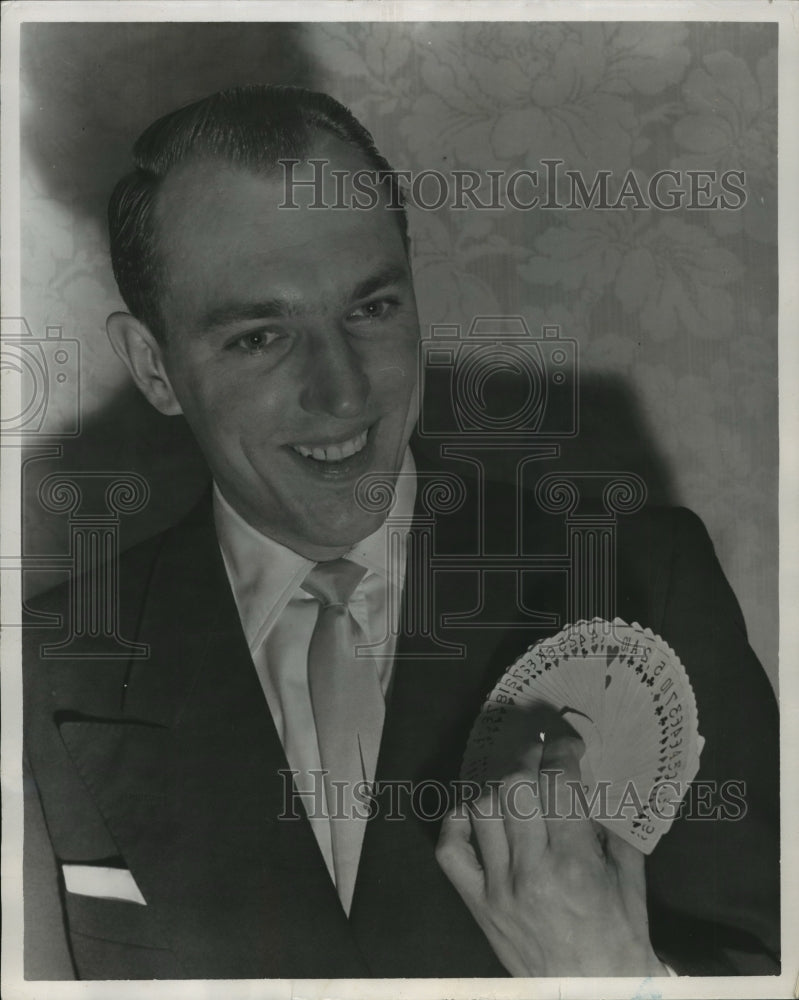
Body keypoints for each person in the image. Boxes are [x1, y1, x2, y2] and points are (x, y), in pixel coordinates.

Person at [23, 85, 779, 980]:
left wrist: (614, 978)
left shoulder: (640, 578)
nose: (342, 395)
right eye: (260, 337)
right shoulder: (43, 674)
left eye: (370, 309)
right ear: (154, 366)